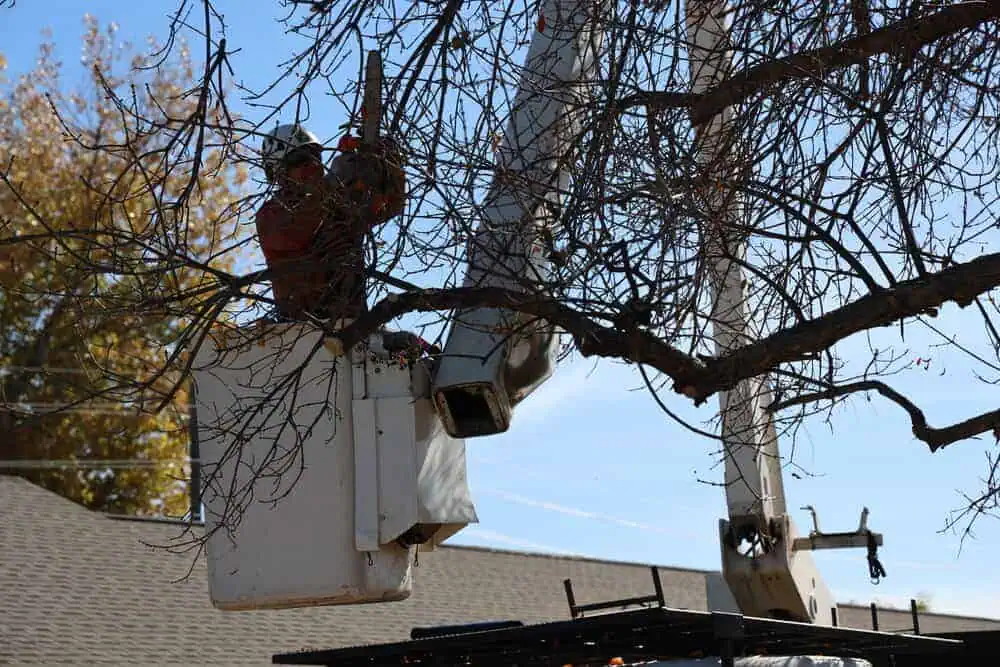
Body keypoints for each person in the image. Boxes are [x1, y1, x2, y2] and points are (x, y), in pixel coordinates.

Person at [255, 123, 406, 323]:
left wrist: (388, 165)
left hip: (349, 321)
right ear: (278, 171)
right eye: (300, 160)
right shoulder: (271, 215)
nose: (312, 165)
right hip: (300, 325)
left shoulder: (336, 203)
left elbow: (391, 206)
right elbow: (301, 228)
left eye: (315, 157)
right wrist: (337, 179)